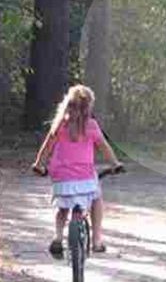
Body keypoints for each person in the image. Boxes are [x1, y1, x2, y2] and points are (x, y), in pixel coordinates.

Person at [32, 85, 122, 258]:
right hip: (85, 177)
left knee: (62, 208)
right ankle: (96, 241)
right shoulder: (91, 126)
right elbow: (104, 147)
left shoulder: (59, 125)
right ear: (89, 108)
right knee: (96, 199)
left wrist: (38, 165)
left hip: (61, 177)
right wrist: (115, 163)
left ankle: (58, 237)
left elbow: (46, 147)